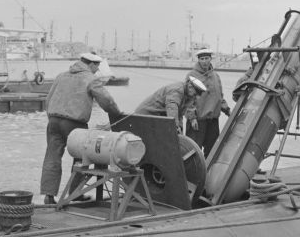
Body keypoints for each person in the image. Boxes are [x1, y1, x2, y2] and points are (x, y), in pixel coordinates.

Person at [40, 52, 123, 205]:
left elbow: (48, 99)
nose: (97, 71)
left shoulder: (61, 76)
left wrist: (53, 118)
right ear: (91, 64)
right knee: (82, 158)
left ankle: (49, 196)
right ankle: (74, 193)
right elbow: (107, 101)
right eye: (97, 67)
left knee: (52, 157)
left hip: (53, 121)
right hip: (74, 124)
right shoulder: (90, 79)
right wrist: (117, 114)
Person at [185, 49, 231, 158]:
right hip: (198, 120)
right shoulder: (191, 75)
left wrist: (227, 110)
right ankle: (192, 174)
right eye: (202, 59)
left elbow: (219, 96)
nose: (204, 61)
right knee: (193, 151)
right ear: (198, 60)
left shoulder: (216, 76)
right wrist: (192, 118)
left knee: (212, 150)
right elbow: (188, 99)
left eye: (206, 58)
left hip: (213, 120)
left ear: (210, 59)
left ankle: (208, 173)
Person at [134, 75, 206, 133]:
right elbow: (172, 109)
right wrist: (175, 127)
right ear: (190, 86)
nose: (195, 96)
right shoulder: (176, 90)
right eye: (195, 93)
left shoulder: (189, 96)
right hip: (145, 115)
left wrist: (180, 127)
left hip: (158, 116)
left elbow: (179, 114)